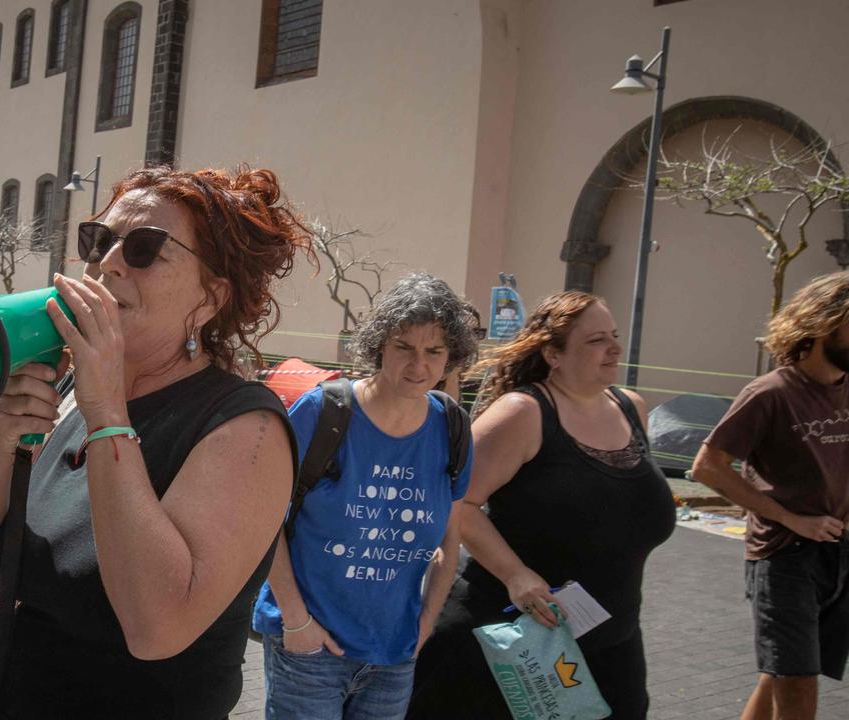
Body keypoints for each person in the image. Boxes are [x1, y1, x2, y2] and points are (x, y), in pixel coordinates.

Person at [0, 165, 309, 719]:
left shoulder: (244, 426)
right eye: (99, 239)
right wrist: (4, 445)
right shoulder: (73, 391)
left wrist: (108, 413)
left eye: (144, 248)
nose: (108, 261)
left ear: (210, 297)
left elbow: (158, 629)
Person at [409, 291, 676, 719]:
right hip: (510, 638)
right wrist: (516, 574)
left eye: (614, 336)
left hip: (611, 639)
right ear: (553, 353)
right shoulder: (523, 413)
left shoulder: (631, 408)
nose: (614, 349)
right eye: (595, 341)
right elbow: (457, 502)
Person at [252, 273, 477, 720]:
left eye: (434, 351)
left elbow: (449, 541)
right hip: (308, 648)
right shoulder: (324, 413)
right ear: (379, 345)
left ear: (452, 356)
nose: (419, 365)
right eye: (404, 347)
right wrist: (296, 622)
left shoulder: (450, 428)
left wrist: (426, 622)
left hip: (394, 654)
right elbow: (261, 521)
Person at [692, 271, 849, 720]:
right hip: (785, 558)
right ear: (825, 324)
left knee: (786, 671)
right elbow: (707, 466)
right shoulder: (770, 393)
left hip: (838, 554)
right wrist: (790, 518)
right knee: (797, 686)